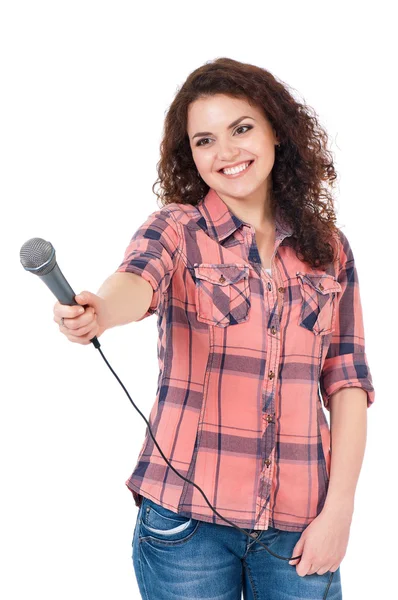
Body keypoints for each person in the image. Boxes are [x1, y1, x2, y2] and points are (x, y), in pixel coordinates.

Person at [53, 57, 375, 600]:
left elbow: (347, 384)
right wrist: (99, 311)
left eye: (241, 129)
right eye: (205, 140)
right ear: (191, 154)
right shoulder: (177, 230)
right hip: (187, 527)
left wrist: (339, 510)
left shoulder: (330, 250)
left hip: (301, 525)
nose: (225, 153)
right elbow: (135, 282)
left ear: (277, 130)